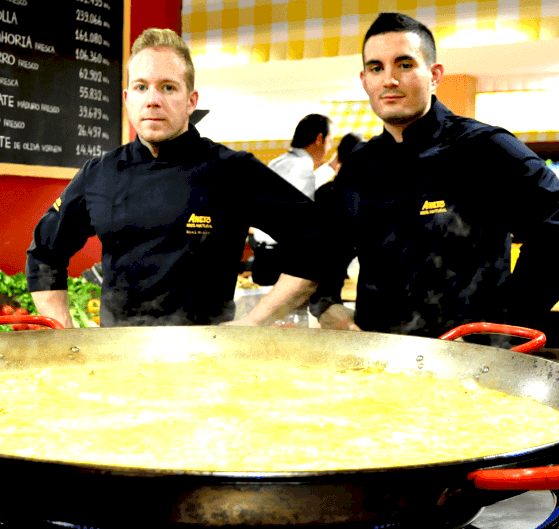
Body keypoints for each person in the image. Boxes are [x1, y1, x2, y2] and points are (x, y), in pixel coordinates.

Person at [235, 12, 559, 339]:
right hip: (378, 363)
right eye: (376, 68)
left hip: (470, 364)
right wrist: (327, 305)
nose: (389, 79)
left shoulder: (485, 148)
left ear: (434, 74)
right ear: (364, 80)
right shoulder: (359, 167)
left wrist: (503, 323)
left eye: (404, 64)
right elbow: (325, 250)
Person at [25, 28, 337, 328]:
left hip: (207, 362)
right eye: (141, 87)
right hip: (118, 365)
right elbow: (44, 253)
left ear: (191, 100)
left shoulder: (233, 170)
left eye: (168, 87)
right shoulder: (99, 174)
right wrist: (63, 330)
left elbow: (318, 242)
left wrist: (252, 322)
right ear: (127, 98)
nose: (152, 100)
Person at [250, 114, 333, 286]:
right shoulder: (302, 169)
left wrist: (331, 167)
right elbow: (300, 220)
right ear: (320, 139)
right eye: (330, 141)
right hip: (282, 259)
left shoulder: (279, 162)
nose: (330, 148)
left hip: (264, 256)